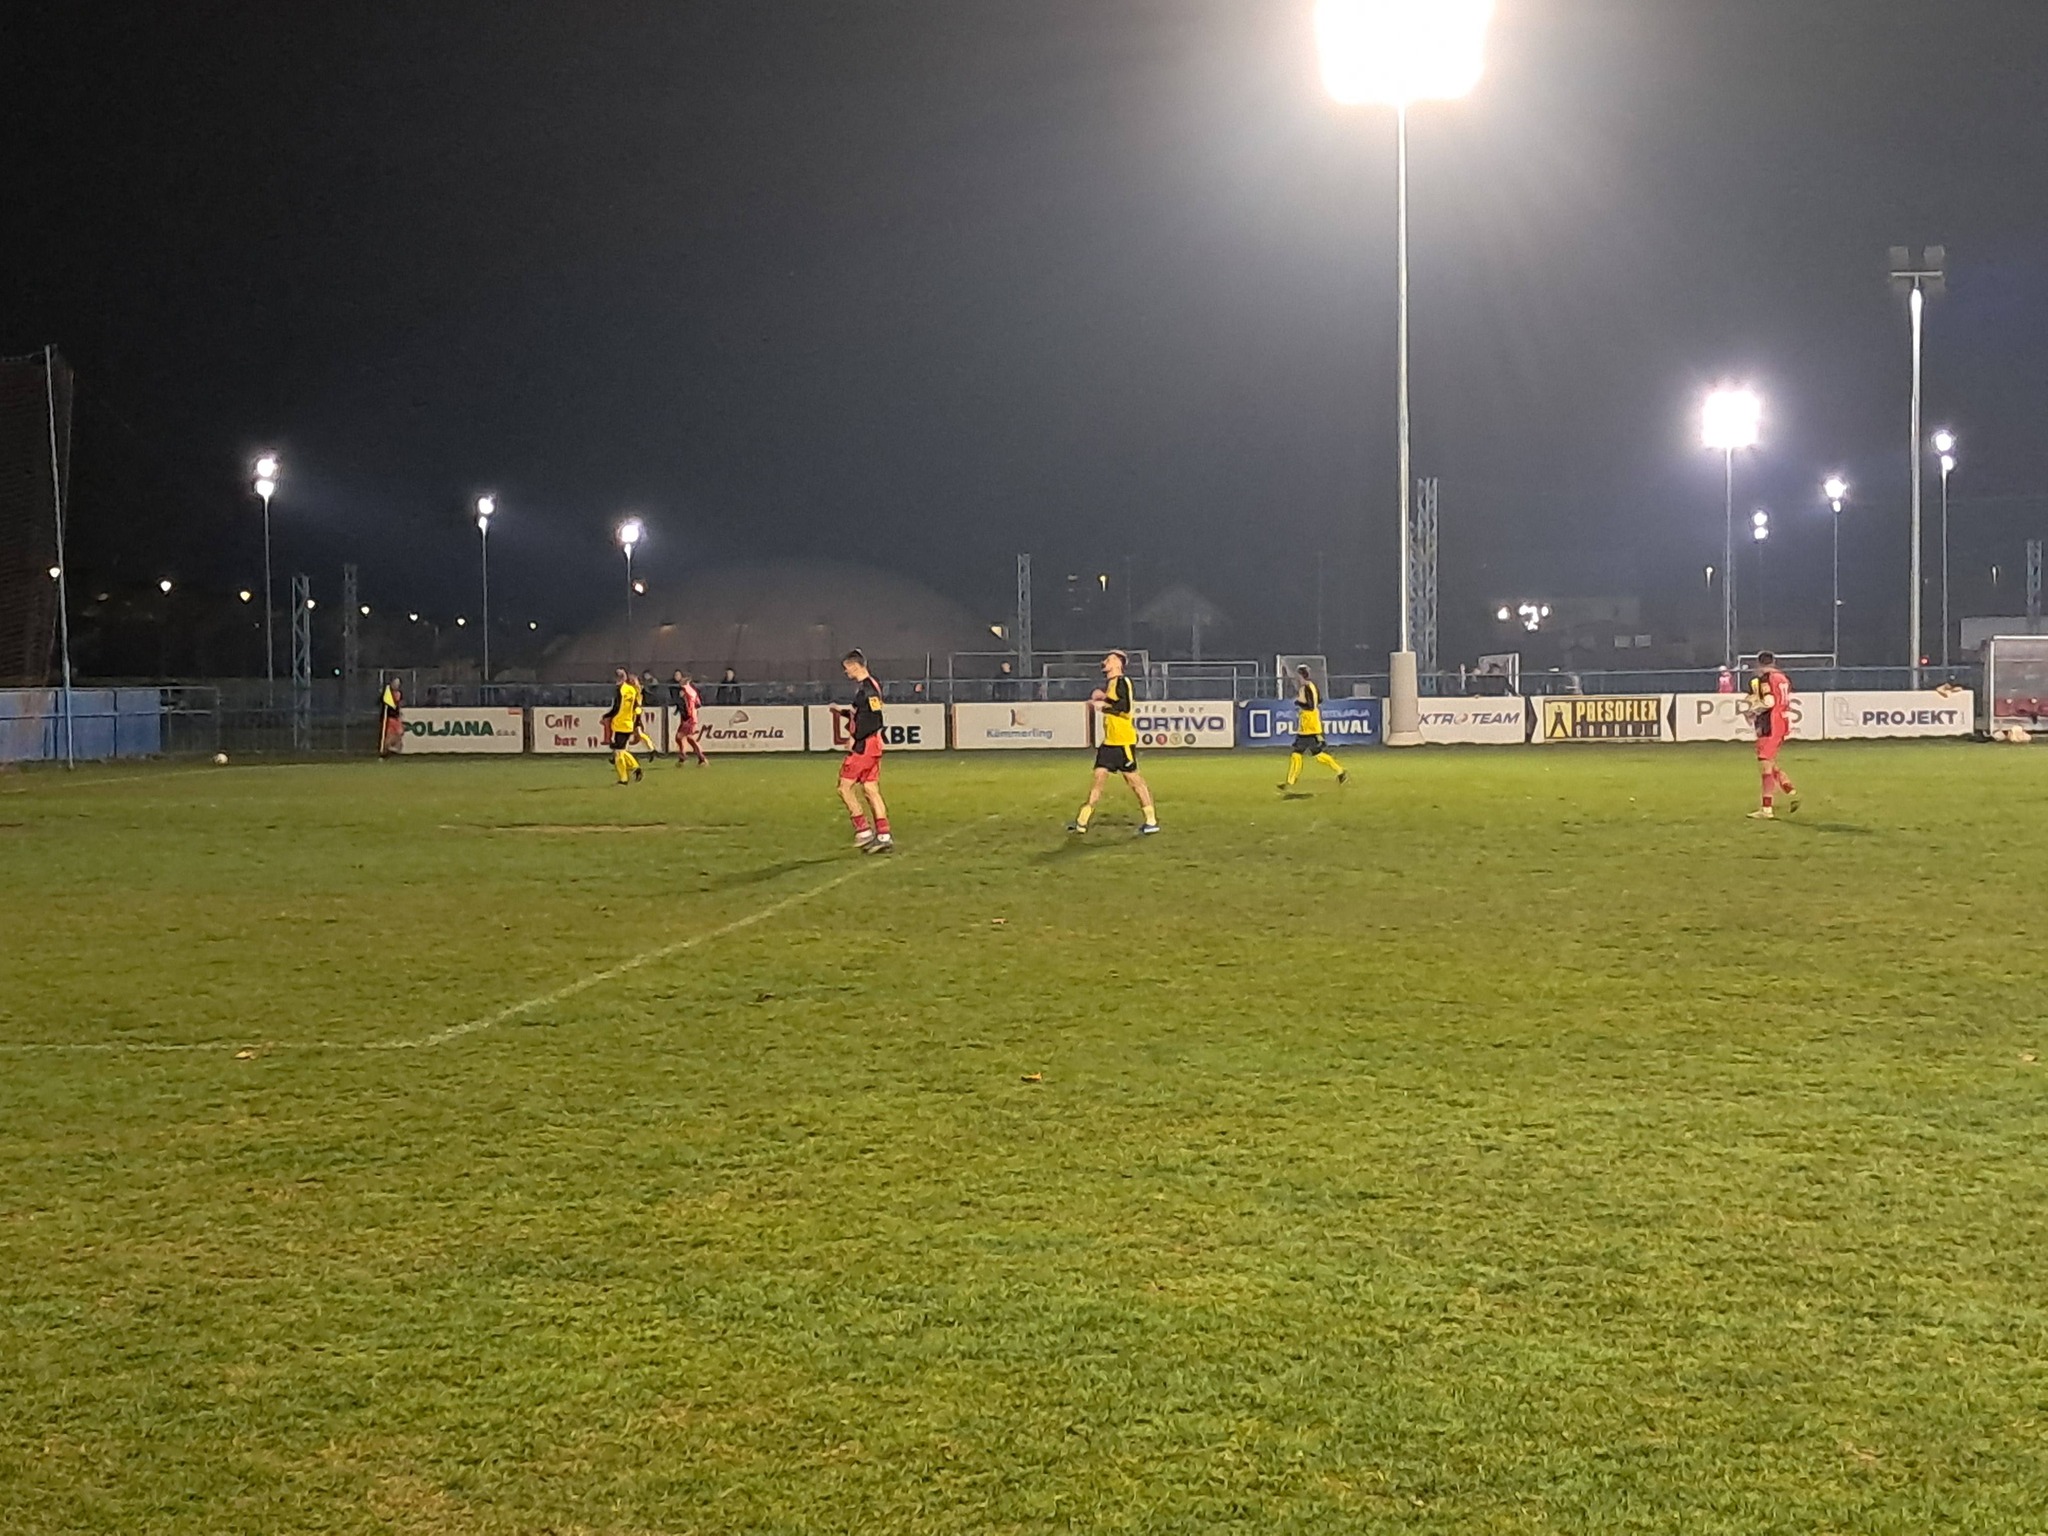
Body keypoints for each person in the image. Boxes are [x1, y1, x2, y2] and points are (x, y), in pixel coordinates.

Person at [1070, 649, 1159, 835]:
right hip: (1109, 742)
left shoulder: (1122, 682)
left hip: (1123, 741)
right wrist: (1103, 700)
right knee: (1098, 778)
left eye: (1110, 659)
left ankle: (1151, 821)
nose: (1105, 661)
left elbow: (1124, 708)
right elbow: (1113, 704)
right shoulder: (1111, 684)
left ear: (1119, 664)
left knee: (1134, 781)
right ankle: (1082, 821)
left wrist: (1103, 703)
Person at [836, 650, 892, 852]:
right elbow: (866, 714)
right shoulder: (870, 686)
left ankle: (863, 831)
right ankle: (883, 835)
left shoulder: (867, 690)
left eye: (847, 668)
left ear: (855, 666)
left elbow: (874, 719)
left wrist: (855, 738)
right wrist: (843, 712)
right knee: (870, 789)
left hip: (866, 746)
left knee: (844, 787)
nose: (846, 672)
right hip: (873, 744)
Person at [1742, 650, 1800, 819]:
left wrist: (1752, 711)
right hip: (1782, 722)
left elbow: (1769, 702)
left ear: (1759, 664)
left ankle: (1766, 808)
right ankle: (1790, 791)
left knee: (1765, 764)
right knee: (1769, 761)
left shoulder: (1766, 679)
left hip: (1770, 724)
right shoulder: (1783, 678)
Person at [1280, 665, 1348, 791]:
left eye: (1298, 675)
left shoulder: (1306, 688)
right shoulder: (1312, 686)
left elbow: (1310, 706)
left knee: (1306, 754)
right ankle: (1290, 781)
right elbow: (1319, 700)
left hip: (1309, 725)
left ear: (1301, 675)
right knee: (1302, 753)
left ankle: (1340, 771)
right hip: (1309, 725)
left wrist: (1299, 702)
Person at [603, 666, 644, 785]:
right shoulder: (632, 690)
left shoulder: (620, 690)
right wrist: (636, 721)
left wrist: (607, 716)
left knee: (619, 751)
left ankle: (625, 777)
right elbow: (636, 707)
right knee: (620, 750)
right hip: (629, 723)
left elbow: (617, 707)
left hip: (620, 723)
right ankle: (634, 769)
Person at [671, 670, 707, 766]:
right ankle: (691, 757)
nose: (680, 681)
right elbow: (698, 704)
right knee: (687, 738)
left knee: (680, 737)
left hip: (689, 718)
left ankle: (689, 757)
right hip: (689, 717)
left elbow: (685, 702)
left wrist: (687, 708)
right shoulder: (692, 690)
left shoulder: (686, 689)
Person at [378, 676, 404, 758]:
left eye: (398, 683)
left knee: (400, 733)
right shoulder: (387, 693)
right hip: (390, 718)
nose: (396, 685)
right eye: (395, 683)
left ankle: (391, 749)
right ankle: (384, 751)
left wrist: (400, 713)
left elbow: (398, 705)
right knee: (390, 735)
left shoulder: (399, 694)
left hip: (396, 717)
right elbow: (382, 702)